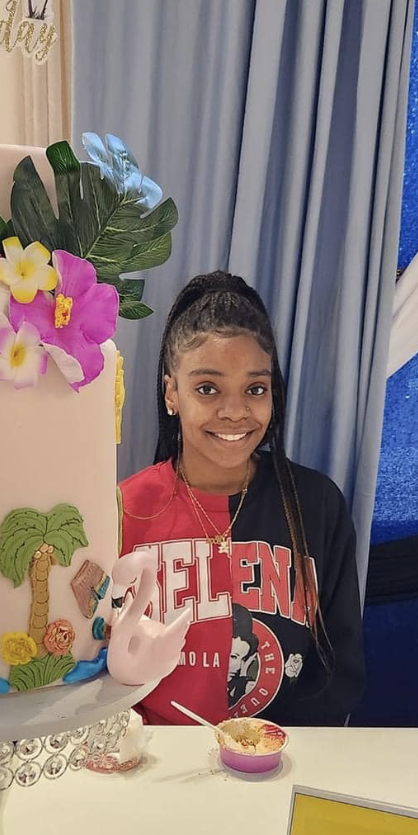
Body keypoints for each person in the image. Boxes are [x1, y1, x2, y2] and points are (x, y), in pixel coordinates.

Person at [119, 271, 364, 727]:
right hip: (154, 761)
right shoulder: (125, 509)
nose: (235, 411)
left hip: (281, 757)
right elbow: (97, 663)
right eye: (207, 389)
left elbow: (339, 667)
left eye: (255, 389)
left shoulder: (316, 505)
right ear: (172, 393)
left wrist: (273, 752)